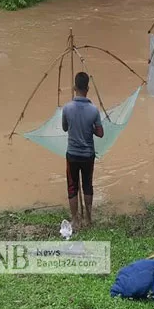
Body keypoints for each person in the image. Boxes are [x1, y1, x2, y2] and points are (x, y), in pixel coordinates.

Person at [62, 72, 103, 229]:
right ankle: (89, 219)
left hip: (72, 155)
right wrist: (90, 128)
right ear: (88, 88)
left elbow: (65, 128)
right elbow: (100, 133)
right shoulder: (93, 110)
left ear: (74, 87)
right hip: (88, 156)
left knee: (72, 187)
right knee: (87, 185)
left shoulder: (67, 108)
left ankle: (75, 220)